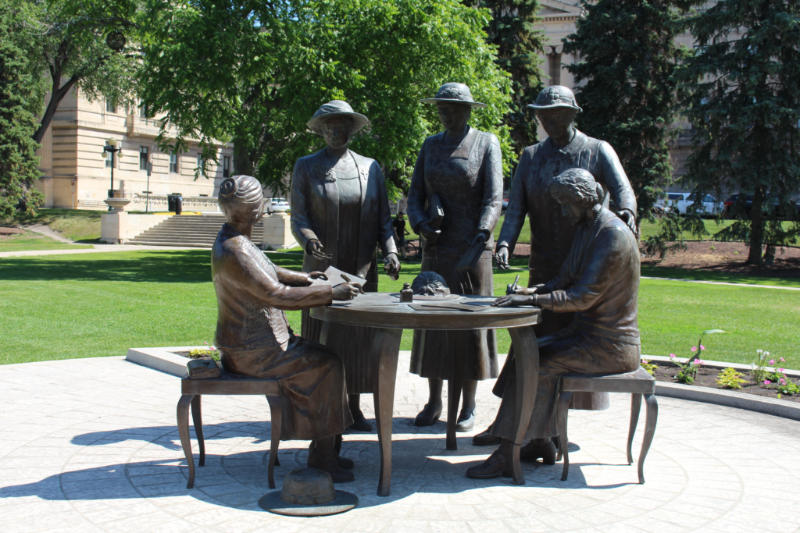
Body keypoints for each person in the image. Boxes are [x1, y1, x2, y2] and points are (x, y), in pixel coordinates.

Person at [472, 85, 639, 447]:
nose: (547, 121)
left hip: (590, 257)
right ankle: (511, 425)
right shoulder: (531, 156)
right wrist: (505, 243)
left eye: (555, 115)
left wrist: (625, 215)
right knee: (530, 343)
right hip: (547, 263)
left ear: (571, 115)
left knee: (560, 350)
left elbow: (624, 190)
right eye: (542, 116)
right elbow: (515, 208)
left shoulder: (597, 150)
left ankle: (546, 431)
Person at [466, 168, 641, 479]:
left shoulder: (611, 235)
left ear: (583, 199)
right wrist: (528, 291)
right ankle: (538, 441)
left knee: (537, 361)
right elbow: (563, 280)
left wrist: (533, 302)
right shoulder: (589, 228)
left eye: (566, 204)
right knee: (526, 354)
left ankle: (509, 451)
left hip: (610, 346)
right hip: (587, 337)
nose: (562, 211)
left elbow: (581, 298)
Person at [212, 174, 362, 482]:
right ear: (255, 209)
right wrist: (330, 293)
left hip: (255, 344)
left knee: (327, 359)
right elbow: (276, 295)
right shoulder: (235, 249)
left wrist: (307, 278)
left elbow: (270, 271)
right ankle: (323, 457)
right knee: (327, 365)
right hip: (253, 351)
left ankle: (328, 448)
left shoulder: (235, 239)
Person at [291, 100, 401, 432]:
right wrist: (309, 239)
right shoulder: (306, 167)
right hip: (323, 269)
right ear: (320, 130)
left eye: (341, 126)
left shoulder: (370, 168)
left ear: (351, 130)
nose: (335, 132)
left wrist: (392, 251)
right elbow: (299, 217)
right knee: (323, 338)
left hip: (361, 267)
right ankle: (321, 404)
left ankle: (353, 405)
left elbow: (383, 218)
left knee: (359, 338)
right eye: (328, 126)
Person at [406, 82, 503, 431]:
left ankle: (469, 405)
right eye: (440, 108)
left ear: (466, 110)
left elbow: (494, 197)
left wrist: (483, 231)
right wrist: (420, 223)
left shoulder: (486, 142)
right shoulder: (430, 146)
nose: (444, 113)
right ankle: (434, 401)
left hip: (472, 250)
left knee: (469, 328)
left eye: (450, 108)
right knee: (434, 327)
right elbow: (414, 195)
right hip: (436, 249)